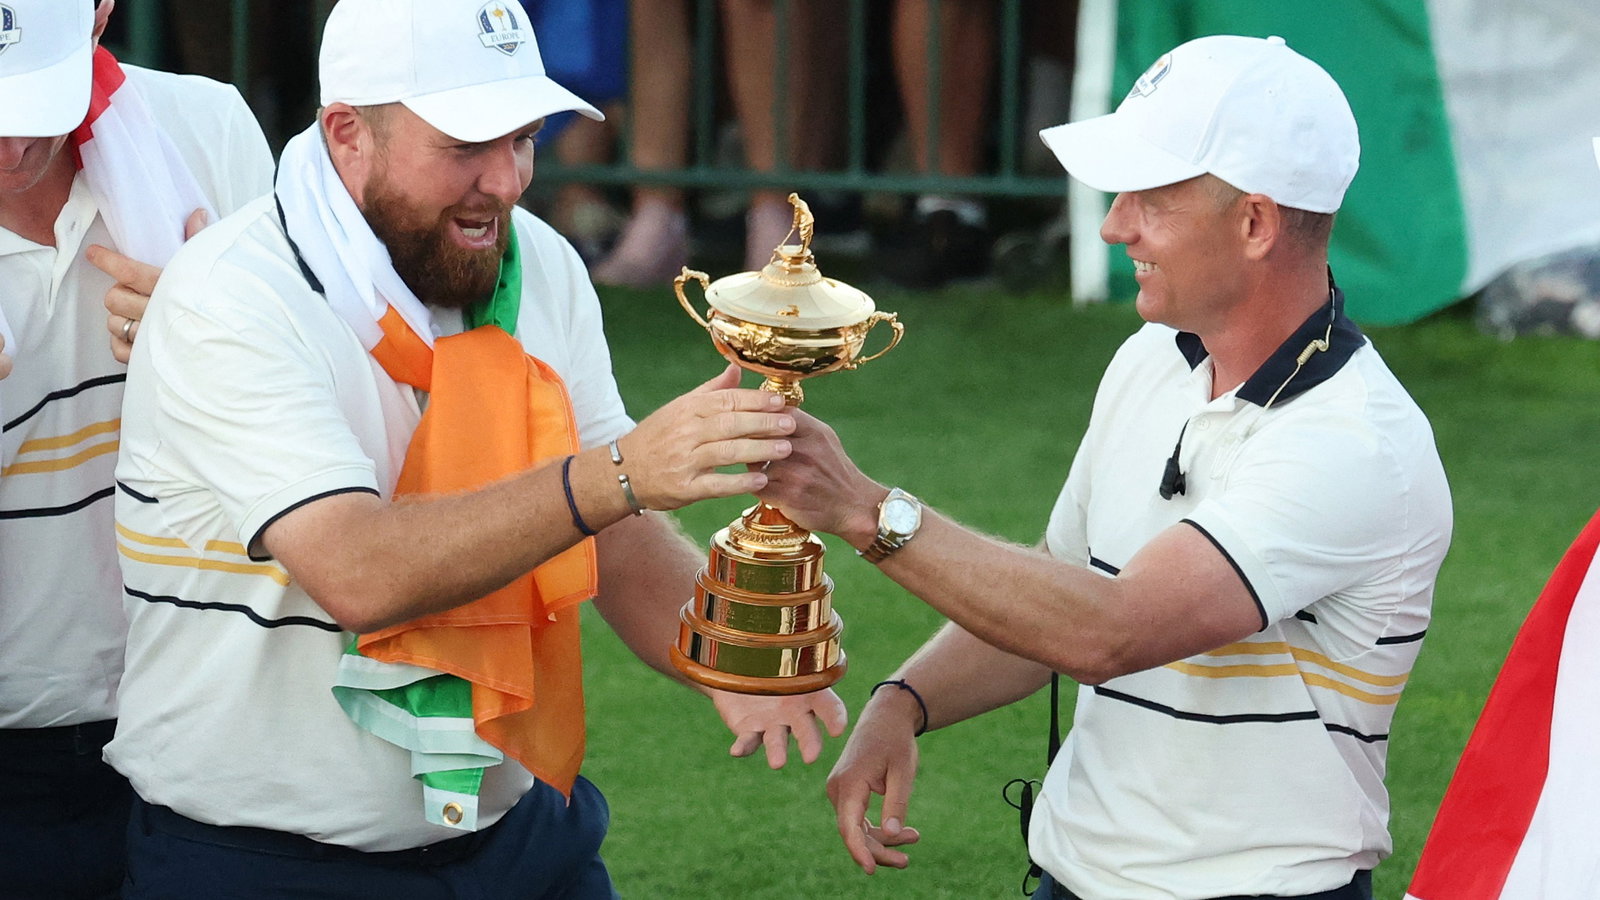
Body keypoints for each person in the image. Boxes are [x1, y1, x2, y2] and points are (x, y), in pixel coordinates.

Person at [106, 1, 844, 896]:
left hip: (521, 839)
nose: (505, 180)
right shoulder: (230, 295)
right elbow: (358, 569)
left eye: (525, 137)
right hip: (262, 860)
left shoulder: (538, 259)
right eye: (465, 146)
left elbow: (610, 533)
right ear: (347, 134)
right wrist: (616, 476)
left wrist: (731, 650)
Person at [759, 35, 1452, 900]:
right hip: (1071, 876)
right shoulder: (1151, 357)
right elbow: (1057, 587)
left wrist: (866, 510)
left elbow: (1105, 631)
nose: (1114, 223)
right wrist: (904, 700)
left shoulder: (1354, 444)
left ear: (1255, 224)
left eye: (1150, 198)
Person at [0, 1, 273, 896]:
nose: (9, 150)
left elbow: (341, 418)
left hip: (201, 734)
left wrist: (209, 339)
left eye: (33, 102)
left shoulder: (208, 127)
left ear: (102, 11)